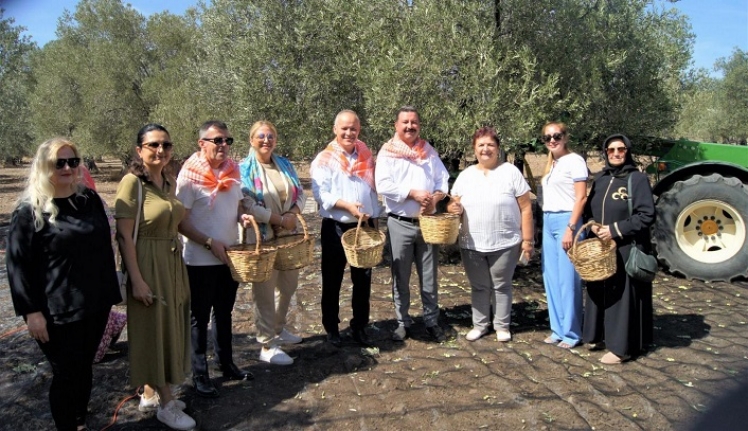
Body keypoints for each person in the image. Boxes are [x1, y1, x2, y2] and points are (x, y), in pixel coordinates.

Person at [6, 138, 121, 431]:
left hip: (94, 304)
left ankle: (79, 422)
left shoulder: (88, 200)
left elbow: (104, 248)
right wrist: (31, 313)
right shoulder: (29, 211)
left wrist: (111, 291)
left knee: (83, 369)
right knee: (66, 373)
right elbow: (18, 267)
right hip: (56, 311)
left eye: (73, 161)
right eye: (59, 163)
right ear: (44, 167)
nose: (68, 168)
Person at [115, 124, 195, 430]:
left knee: (168, 327)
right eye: (152, 145)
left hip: (172, 261)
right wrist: (136, 279)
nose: (160, 150)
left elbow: (177, 222)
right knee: (154, 329)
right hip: (146, 261)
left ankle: (150, 393)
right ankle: (167, 403)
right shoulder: (130, 183)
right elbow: (124, 237)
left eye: (165, 145)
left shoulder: (168, 182)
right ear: (139, 150)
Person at [176, 120, 255, 398]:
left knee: (224, 312)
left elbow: (234, 210)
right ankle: (200, 374)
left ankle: (226, 364)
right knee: (198, 317)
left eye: (227, 141)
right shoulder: (188, 179)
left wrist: (241, 217)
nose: (223, 146)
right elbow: (181, 223)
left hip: (229, 257)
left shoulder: (232, 173)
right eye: (217, 140)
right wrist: (209, 242)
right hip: (199, 260)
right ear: (202, 144)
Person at [446, 127, 534, 343]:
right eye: (481, 145)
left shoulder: (510, 172)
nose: (486, 149)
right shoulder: (466, 176)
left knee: (501, 286)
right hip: (472, 243)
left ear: (498, 148)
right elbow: (452, 204)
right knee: (479, 286)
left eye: (490, 145)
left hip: (505, 242)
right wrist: (453, 208)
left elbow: (526, 208)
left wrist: (528, 241)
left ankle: (502, 326)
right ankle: (480, 325)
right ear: (474, 149)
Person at [375, 106, 451, 342]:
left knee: (429, 275)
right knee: (401, 275)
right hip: (400, 223)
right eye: (405, 122)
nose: (410, 126)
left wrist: (436, 198)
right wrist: (413, 194)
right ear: (396, 126)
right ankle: (402, 322)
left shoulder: (428, 151)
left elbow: (443, 180)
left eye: (414, 122)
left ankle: (431, 320)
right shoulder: (387, 153)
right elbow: (383, 185)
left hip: (428, 223)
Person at [582, 134, 655, 364]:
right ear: (605, 152)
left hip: (626, 247)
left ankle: (621, 348)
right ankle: (600, 336)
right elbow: (589, 210)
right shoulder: (601, 178)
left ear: (628, 151)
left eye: (620, 149)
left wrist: (615, 229)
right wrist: (593, 226)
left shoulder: (637, 179)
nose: (615, 153)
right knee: (600, 291)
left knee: (622, 298)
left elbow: (646, 215)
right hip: (601, 249)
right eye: (611, 150)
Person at [311, 110, 381, 348]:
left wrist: (376, 218)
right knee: (332, 280)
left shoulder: (365, 155)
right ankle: (331, 328)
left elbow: (371, 190)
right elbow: (322, 195)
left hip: (364, 226)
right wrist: (348, 206)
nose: (349, 132)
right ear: (335, 130)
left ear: (358, 130)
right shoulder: (324, 159)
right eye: (344, 128)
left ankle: (359, 325)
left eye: (353, 128)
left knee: (363, 280)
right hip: (335, 227)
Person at [240, 120, 306, 365]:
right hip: (263, 237)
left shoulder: (285, 165)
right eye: (261, 136)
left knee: (288, 285)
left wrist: (291, 216)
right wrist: (276, 219)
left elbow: (300, 192)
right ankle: (267, 343)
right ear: (251, 140)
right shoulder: (244, 169)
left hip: (288, 236)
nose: (266, 140)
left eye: (270, 136)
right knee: (265, 290)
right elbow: (246, 202)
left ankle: (279, 328)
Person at [539, 122, 588, 349]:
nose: (552, 140)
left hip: (567, 220)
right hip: (548, 220)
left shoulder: (575, 161)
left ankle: (572, 332)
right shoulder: (553, 163)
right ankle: (557, 329)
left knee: (568, 280)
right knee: (551, 277)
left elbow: (581, 197)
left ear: (565, 137)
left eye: (556, 136)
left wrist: (571, 227)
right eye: (547, 137)